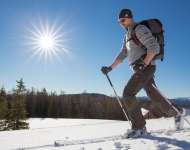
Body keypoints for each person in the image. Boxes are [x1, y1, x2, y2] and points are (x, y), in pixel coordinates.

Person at [101, 9, 182, 138]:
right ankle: (177, 113)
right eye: (119, 21)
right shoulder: (127, 35)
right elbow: (123, 54)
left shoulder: (139, 29)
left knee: (128, 94)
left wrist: (143, 63)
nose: (121, 23)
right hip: (140, 68)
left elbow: (154, 47)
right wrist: (110, 68)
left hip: (145, 68)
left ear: (130, 18)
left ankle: (139, 127)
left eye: (123, 20)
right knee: (154, 95)